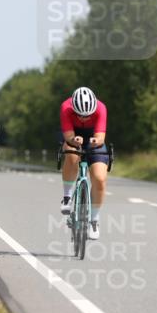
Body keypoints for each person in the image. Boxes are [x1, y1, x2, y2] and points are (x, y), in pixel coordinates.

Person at [59, 86, 108, 240]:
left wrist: (95, 141)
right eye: (80, 115)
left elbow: (101, 137)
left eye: (88, 115)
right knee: (72, 154)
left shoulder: (101, 108)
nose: (84, 118)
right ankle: (67, 196)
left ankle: (94, 220)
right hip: (74, 138)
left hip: (94, 140)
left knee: (99, 179)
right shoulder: (66, 108)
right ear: (74, 108)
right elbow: (68, 136)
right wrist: (74, 140)